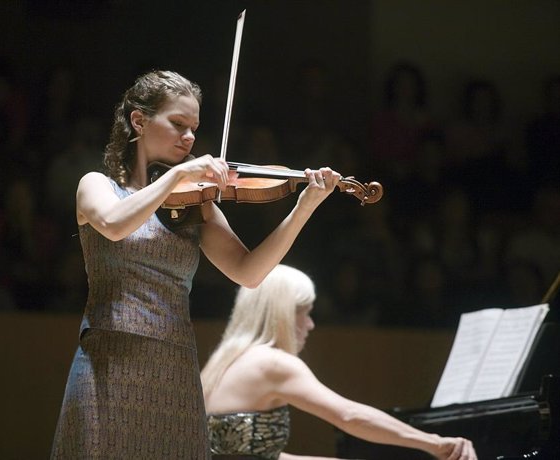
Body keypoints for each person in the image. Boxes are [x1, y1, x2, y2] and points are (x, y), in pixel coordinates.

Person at [50, 70, 342, 459]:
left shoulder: (194, 204)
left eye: (194, 128)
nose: (189, 137)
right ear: (138, 121)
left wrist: (305, 207)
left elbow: (249, 272)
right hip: (109, 360)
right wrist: (178, 175)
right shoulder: (97, 186)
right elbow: (116, 225)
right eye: (177, 124)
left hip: (174, 366)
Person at [201, 264, 478, 460]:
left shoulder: (224, 362)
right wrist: (434, 443)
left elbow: (245, 454)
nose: (310, 325)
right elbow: (350, 416)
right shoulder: (272, 363)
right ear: (283, 314)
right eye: (305, 313)